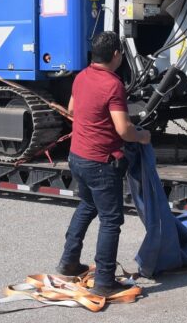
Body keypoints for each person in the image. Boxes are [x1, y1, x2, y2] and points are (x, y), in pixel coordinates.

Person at [56, 31, 151, 297]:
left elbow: (73, 111)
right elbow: (124, 130)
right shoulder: (113, 84)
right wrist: (142, 136)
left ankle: (69, 262)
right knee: (111, 220)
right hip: (101, 163)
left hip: (77, 157)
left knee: (87, 205)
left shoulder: (81, 77)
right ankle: (105, 281)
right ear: (116, 55)